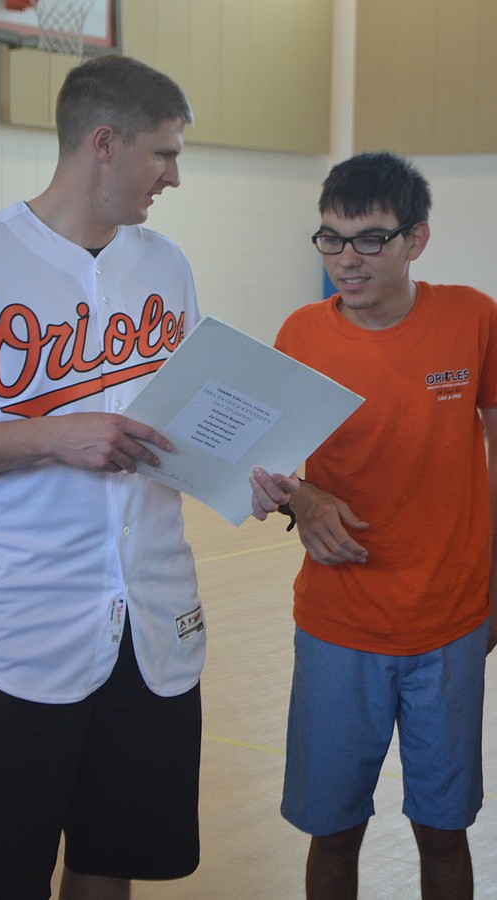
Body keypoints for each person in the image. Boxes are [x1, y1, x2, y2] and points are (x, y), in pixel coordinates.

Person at [0, 55, 206, 900]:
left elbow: (188, 420)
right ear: (104, 143)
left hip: (152, 629)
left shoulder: (166, 266)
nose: (175, 175)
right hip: (26, 634)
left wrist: (248, 463)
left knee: (109, 859)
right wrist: (52, 437)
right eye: (164, 153)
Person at [250, 151, 497, 900]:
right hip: (337, 624)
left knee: (445, 831)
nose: (345, 260)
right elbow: (269, 471)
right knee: (333, 835)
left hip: (450, 622)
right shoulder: (300, 334)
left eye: (368, 240)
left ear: (416, 239)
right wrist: (297, 499)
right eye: (330, 239)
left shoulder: (474, 318)